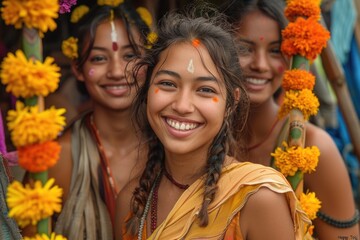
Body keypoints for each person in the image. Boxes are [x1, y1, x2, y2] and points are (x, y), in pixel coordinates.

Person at [115, 6, 311, 239]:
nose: (182, 105)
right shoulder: (132, 202)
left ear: (231, 103)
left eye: (205, 90)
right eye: (168, 84)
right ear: (147, 90)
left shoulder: (257, 198)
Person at [222, 0, 360, 239]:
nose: (260, 65)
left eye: (276, 51)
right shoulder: (201, 135)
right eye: (244, 49)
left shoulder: (315, 148)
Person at [46, 2, 153, 239]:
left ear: (149, 63)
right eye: (98, 58)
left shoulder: (174, 146)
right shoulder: (60, 157)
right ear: (78, 68)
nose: (116, 71)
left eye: (130, 55)